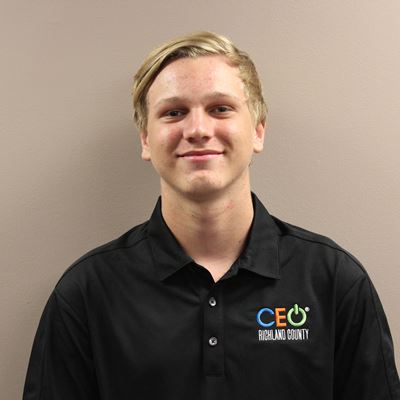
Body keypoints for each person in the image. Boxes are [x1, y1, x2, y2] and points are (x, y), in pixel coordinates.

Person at [23, 31, 399, 400]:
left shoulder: (333, 280)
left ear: (258, 131)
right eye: (174, 112)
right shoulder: (87, 293)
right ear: (145, 139)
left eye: (220, 108)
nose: (198, 130)